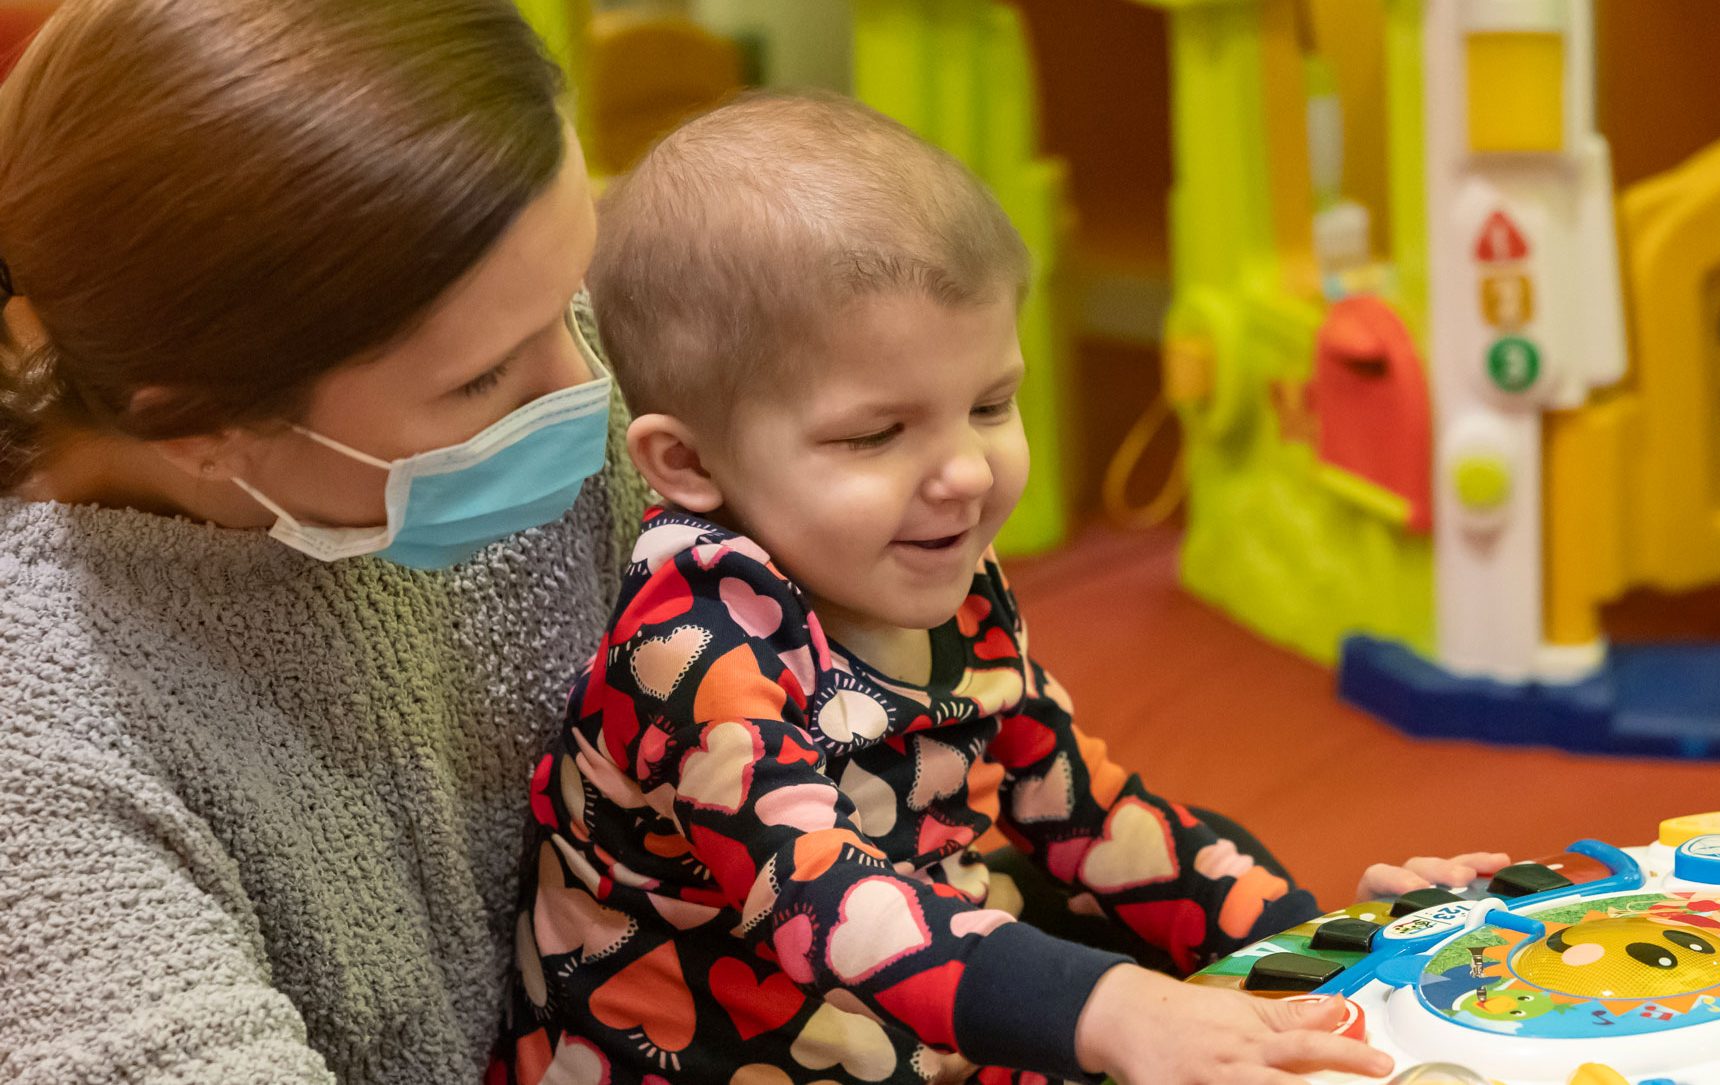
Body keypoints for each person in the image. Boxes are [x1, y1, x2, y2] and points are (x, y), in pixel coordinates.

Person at [497, 91, 1504, 1085]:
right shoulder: (688, 646)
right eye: (874, 433)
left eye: (989, 403)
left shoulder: (957, 583)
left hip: (907, 1017)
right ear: (687, 463)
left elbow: (1090, 815)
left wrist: (1326, 956)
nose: (967, 472)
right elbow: (822, 901)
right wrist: (1115, 1012)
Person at [0, 2, 639, 1081]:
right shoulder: (44, 744)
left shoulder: (507, 371)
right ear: (199, 427)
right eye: (483, 380)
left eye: (568, 298)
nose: (588, 392)